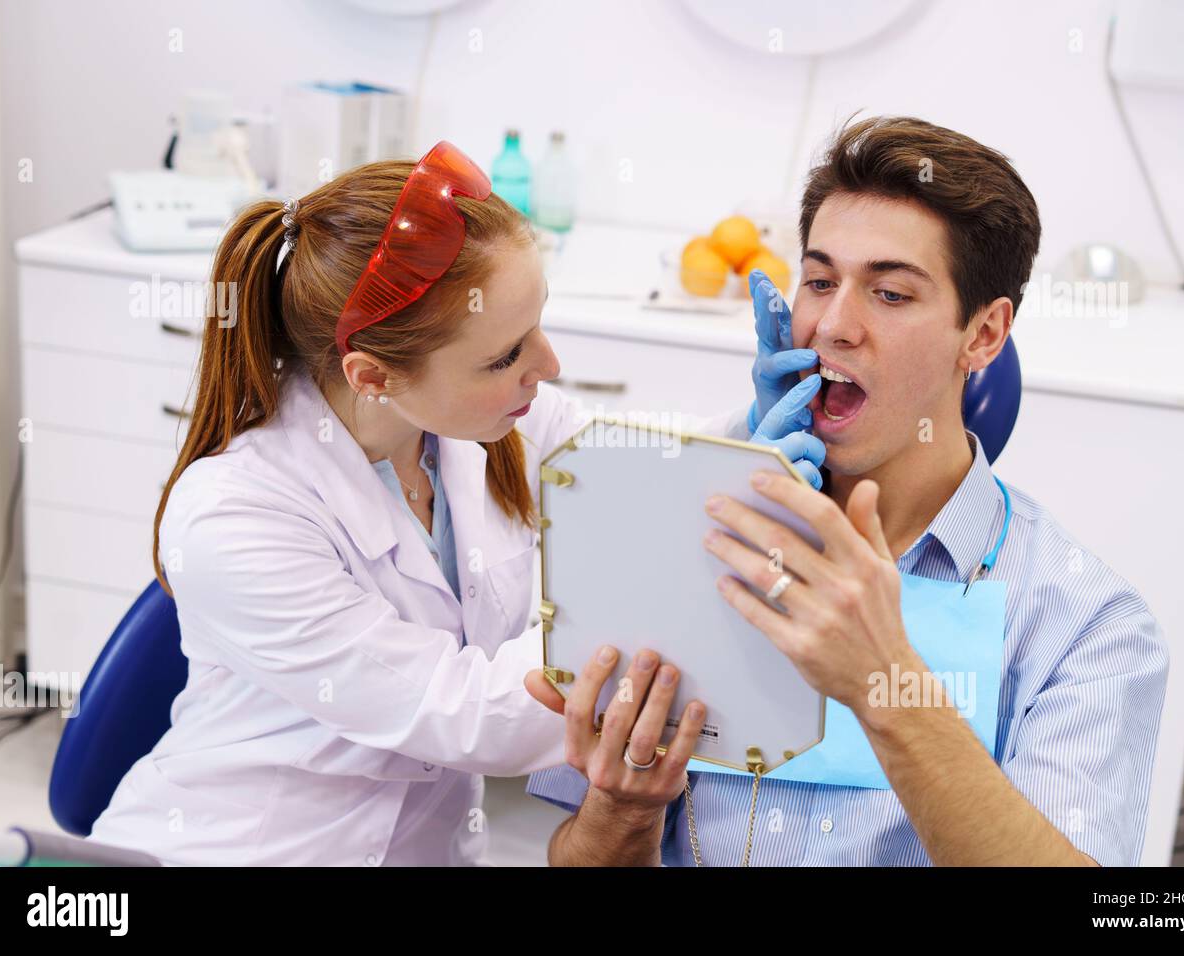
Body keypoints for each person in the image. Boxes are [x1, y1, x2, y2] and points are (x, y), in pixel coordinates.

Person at [87, 142, 816, 866]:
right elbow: (467, 714)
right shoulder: (234, 515)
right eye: (504, 355)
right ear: (372, 375)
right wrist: (679, 599)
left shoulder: (485, 425)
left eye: (536, 326)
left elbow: (626, 462)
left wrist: (749, 432)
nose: (548, 366)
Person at [525, 116, 1170, 867]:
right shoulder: (693, 526)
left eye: (890, 293)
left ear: (985, 336)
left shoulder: (1087, 628)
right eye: (821, 280)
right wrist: (622, 809)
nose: (832, 325)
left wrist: (882, 680)